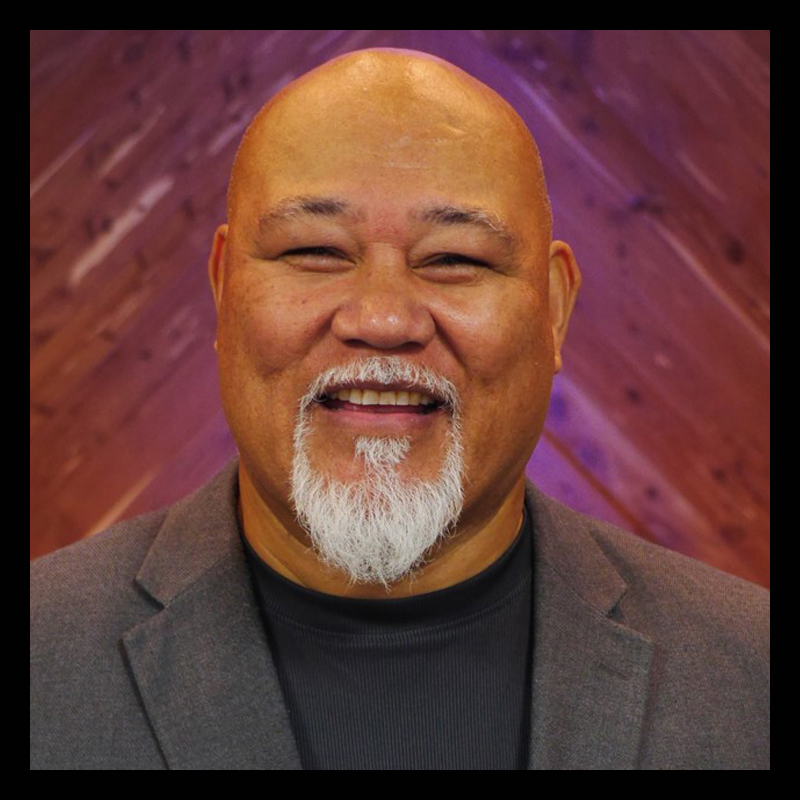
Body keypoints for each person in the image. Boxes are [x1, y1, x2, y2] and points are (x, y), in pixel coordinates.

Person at [30, 48, 769, 770]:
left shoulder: (751, 679)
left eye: (455, 259)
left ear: (553, 309)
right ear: (224, 290)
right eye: (315, 251)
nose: (383, 320)